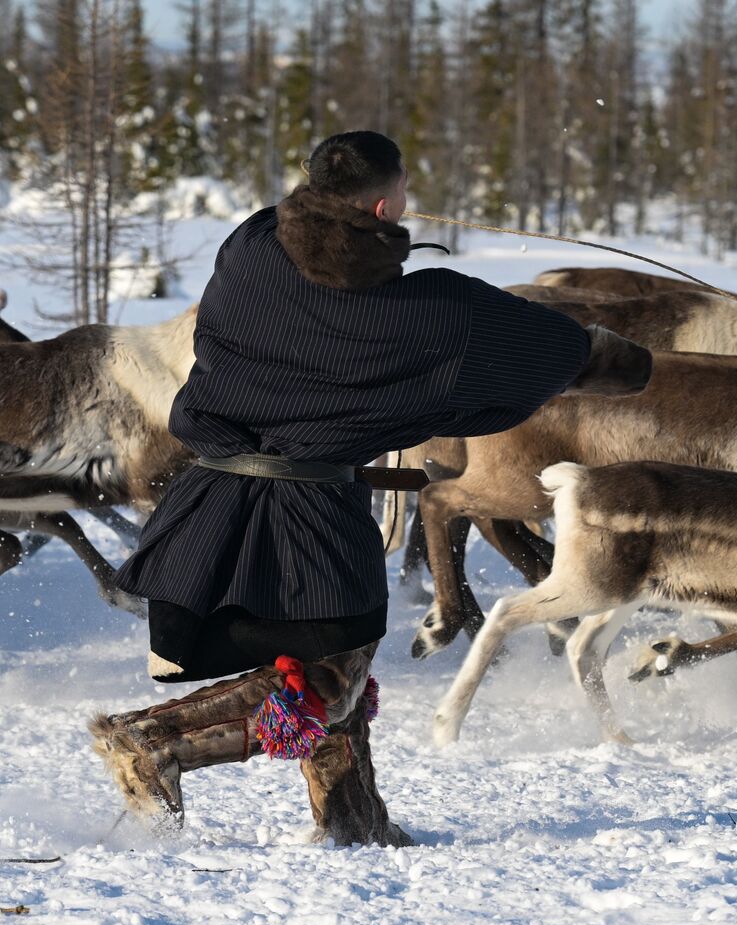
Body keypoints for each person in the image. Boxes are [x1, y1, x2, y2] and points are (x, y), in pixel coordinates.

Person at [91, 130, 651, 846]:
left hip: (207, 500)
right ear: (386, 203)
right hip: (306, 513)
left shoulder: (252, 246)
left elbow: (298, 241)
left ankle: (353, 818)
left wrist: (356, 225)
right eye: (403, 195)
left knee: (324, 667)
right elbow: (555, 351)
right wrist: (634, 361)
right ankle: (151, 739)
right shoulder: (431, 314)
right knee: (331, 678)